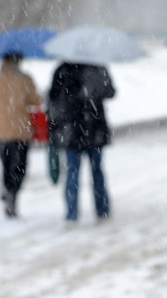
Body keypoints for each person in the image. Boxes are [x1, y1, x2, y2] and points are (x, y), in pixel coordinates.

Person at [47, 62, 115, 223]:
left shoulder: (62, 70)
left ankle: (71, 212)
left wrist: (55, 126)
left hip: (72, 131)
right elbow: (110, 92)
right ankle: (102, 209)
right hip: (94, 129)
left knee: (72, 172)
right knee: (97, 171)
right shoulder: (97, 68)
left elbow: (53, 99)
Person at [0, 51, 41, 218]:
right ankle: (13, 193)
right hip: (20, 131)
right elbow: (36, 101)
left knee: (6, 166)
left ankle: (8, 190)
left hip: (0, 131)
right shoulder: (25, 79)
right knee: (20, 167)